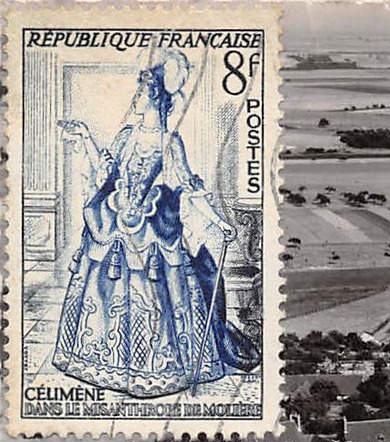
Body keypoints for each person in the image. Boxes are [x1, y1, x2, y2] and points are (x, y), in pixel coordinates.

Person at [55, 48, 261, 397]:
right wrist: (86, 138)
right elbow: (106, 174)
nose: (135, 100)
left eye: (141, 95)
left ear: (156, 101)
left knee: (162, 304)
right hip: (117, 230)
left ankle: (160, 371)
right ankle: (105, 364)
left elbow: (190, 188)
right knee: (108, 295)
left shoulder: (170, 144)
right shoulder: (125, 137)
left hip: (158, 238)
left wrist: (221, 223)